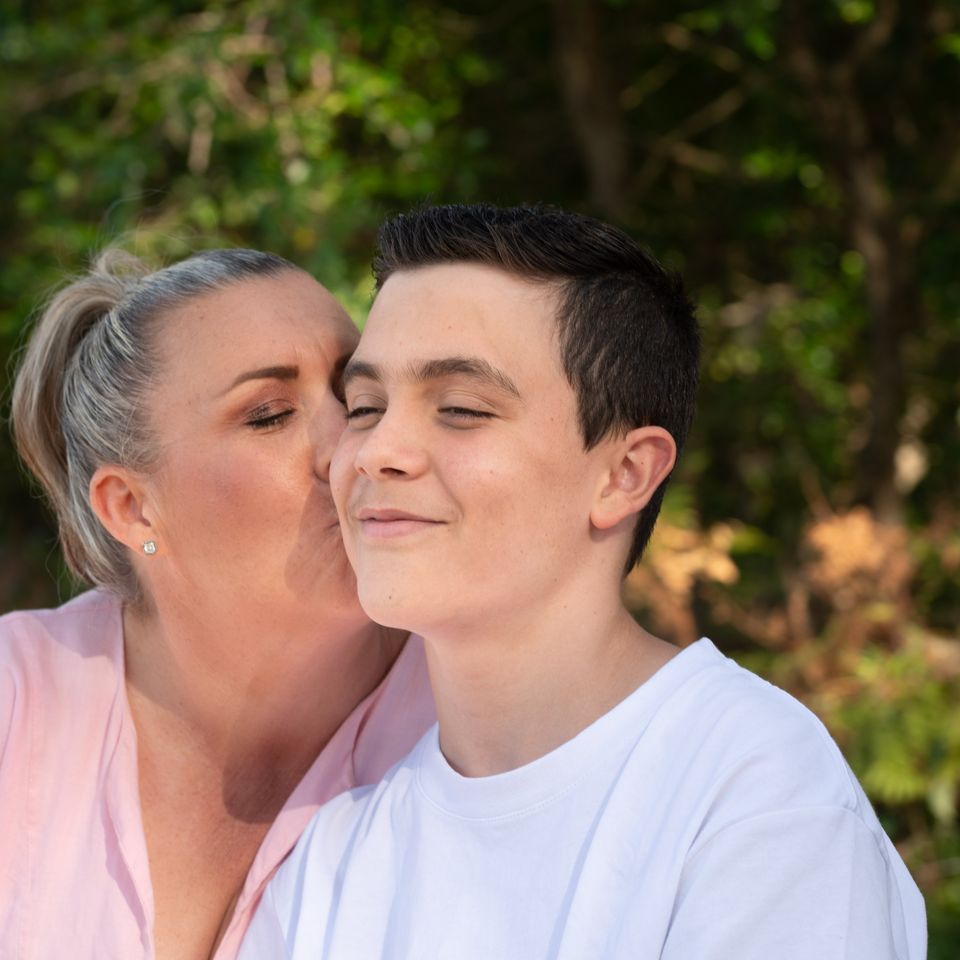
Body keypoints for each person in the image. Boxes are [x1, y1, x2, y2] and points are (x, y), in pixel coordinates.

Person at [240, 203, 926, 959]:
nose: (377, 452)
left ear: (624, 474)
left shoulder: (754, 796)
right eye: (366, 407)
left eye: (461, 409)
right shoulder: (330, 863)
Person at [0, 247, 435, 960]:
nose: (354, 449)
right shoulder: (17, 703)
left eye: (358, 398)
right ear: (131, 507)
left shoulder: (483, 729)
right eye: (269, 415)